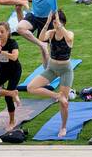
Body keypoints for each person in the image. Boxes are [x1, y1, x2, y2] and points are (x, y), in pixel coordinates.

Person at [26, 9, 75, 138]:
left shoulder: (69, 33)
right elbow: (41, 38)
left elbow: (69, 38)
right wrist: (47, 23)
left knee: (64, 103)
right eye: (54, 21)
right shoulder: (50, 33)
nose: (56, 24)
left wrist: (60, 26)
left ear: (63, 22)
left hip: (65, 70)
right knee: (30, 87)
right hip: (52, 69)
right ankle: (57, 95)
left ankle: (63, 127)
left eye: (58, 22)